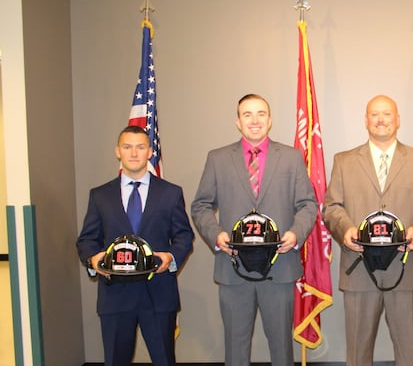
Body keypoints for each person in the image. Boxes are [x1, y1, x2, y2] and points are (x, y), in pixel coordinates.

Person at [191, 94, 317, 366]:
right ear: (238, 122)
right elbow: (201, 206)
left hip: (279, 267)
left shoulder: (292, 158)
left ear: (269, 120)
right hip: (233, 268)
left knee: (282, 349)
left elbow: (308, 204)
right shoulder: (218, 158)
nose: (255, 120)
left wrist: (296, 234)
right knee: (235, 350)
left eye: (261, 113)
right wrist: (216, 236)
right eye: (247, 114)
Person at [323, 94, 413, 366]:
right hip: (359, 270)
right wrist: (345, 230)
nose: (380, 120)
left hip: (406, 269)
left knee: (408, 355)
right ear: (366, 120)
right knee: (357, 356)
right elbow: (331, 207)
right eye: (374, 114)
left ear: (397, 119)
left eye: (387, 114)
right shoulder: (343, 161)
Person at [76, 125, 194, 366]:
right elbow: (87, 239)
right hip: (115, 295)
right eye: (127, 147)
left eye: (140, 147)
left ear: (150, 152)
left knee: (164, 360)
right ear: (117, 151)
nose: (133, 153)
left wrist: (171, 257)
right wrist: (93, 259)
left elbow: (184, 235)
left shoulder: (170, 193)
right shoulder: (100, 195)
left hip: (158, 294)